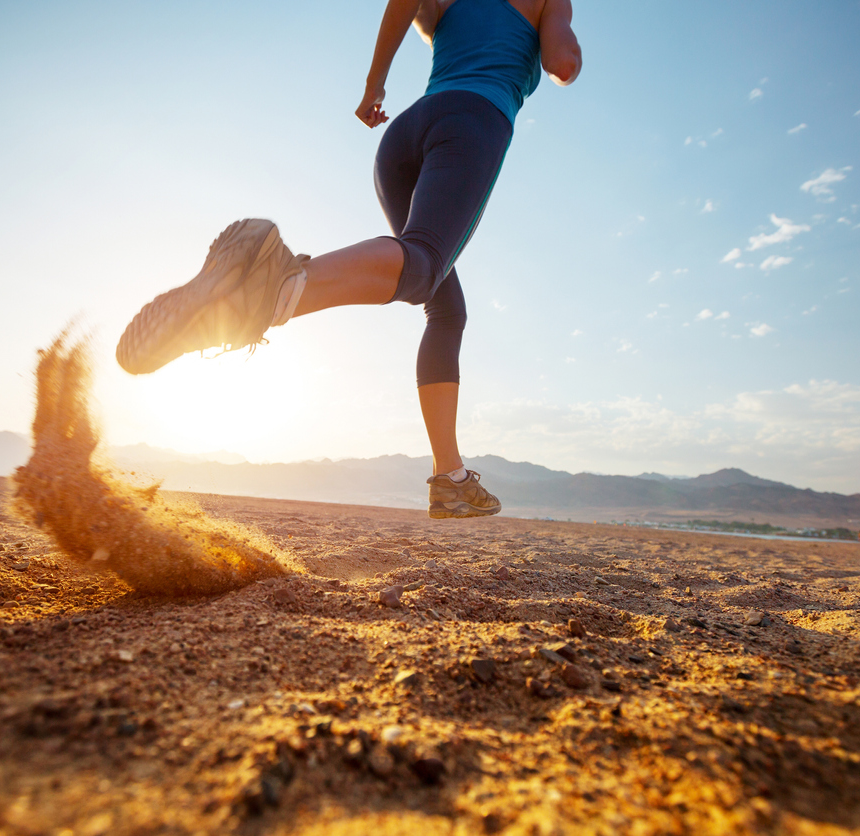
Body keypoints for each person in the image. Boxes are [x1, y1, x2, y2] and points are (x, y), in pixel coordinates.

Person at [117, 0, 581, 519]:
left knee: (446, 306)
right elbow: (561, 63)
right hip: (473, 120)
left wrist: (374, 84)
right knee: (423, 263)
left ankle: (449, 476)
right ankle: (277, 284)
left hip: (402, 138)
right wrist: (565, 46)